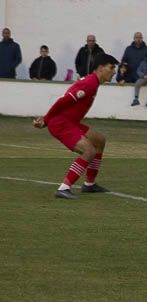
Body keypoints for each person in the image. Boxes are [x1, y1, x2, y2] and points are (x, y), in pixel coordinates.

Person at [33, 54, 118, 200]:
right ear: (100, 68)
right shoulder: (90, 84)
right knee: (89, 151)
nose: (114, 71)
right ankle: (64, 188)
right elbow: (63, 101)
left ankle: (89, 184)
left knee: (99, 140)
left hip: (70, 122)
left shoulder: (93, 82)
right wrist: (46, 120)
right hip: (61, 123)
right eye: (111, 67)